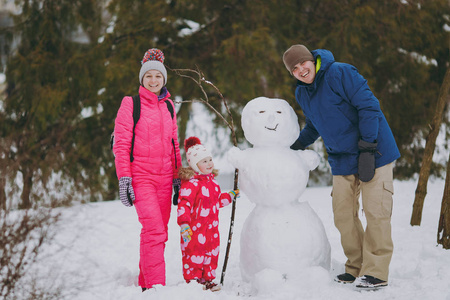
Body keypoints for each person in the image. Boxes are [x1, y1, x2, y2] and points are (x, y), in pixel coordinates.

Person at [282, 44, 400, 289]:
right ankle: (356, 267)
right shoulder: (302, 93)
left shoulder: (340, 73)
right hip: (342, 159)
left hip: (374, 151)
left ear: (311, 60)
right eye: (294, 69)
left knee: (376, 211)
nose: (300, 70)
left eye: (302, 63)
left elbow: (369, 107)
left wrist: (368, 147)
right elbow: (314, 126)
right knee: (343, 215)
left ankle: (376, 271)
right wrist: (291, 147)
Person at [113, 48, 182, 291]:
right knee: (153, 229)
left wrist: (177, 177)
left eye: (158, 76)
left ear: (164, 79)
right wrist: (125, 179)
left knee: (160, 232)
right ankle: (155, 288)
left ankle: (145, 282)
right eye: (149, 76)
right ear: (142, 78)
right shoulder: (130, 104)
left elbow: (175, 144)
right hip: (141, 177)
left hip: (165, 179)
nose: (153, 81)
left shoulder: (170, 106)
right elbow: (120, 144)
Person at [176, 136, 239, 292]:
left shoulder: (213, 183)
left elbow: (216, 201)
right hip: (193, 230)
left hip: (211, 230)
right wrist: (184, 224)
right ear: (195, 165)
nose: (209, 163)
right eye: (204, 161)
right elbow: (184, 204)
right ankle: (194, 281)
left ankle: (208, 279)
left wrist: (229, 196)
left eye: (210, 159)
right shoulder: (191, 184)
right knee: (194, 254)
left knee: (211, 254)